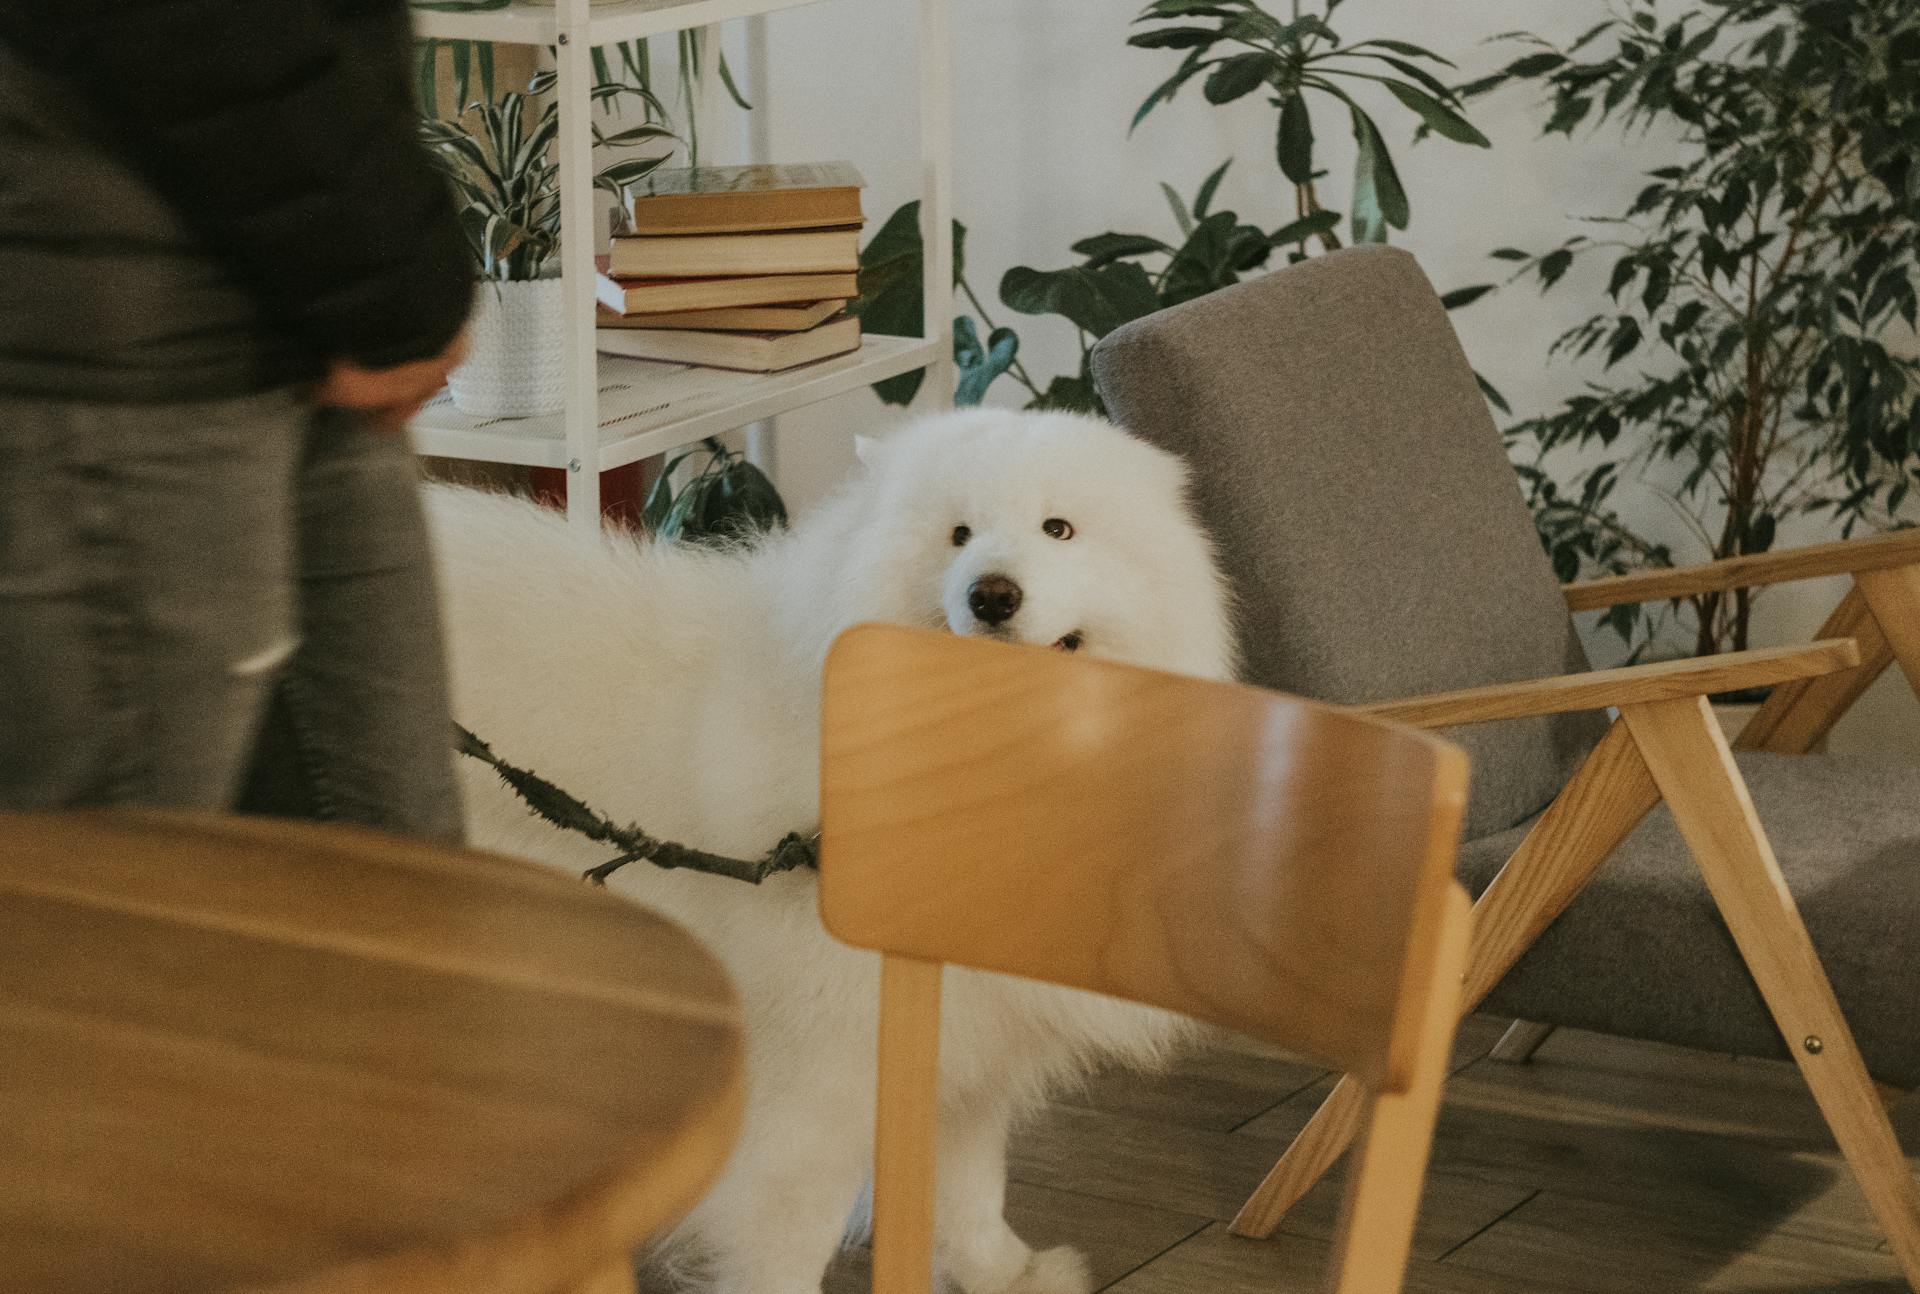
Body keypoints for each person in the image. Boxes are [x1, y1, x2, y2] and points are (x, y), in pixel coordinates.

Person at [0, 0, 476, 840]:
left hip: (287, 313)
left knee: (396, 903)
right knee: (117, 923)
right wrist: (393, 273)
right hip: (133, 362)